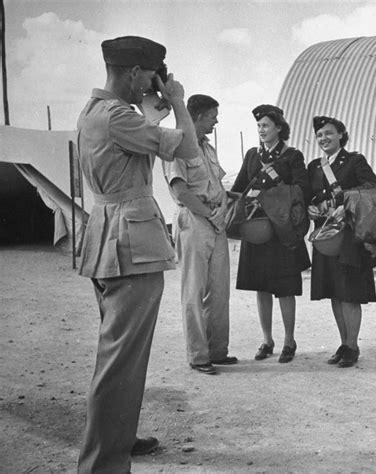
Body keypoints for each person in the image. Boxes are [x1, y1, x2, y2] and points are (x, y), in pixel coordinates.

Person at [76, 36, 198, 473]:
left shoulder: (97, 112)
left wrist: (154, 112)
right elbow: (187, 148)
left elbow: (138, 137)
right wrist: (179, 102)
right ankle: (103, 464)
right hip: (131, 246)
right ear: (132, 73)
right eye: (149, 76)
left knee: (120, 355)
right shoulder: (116, 117)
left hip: (109, 238)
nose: (153, 84)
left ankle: (119, 438)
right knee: (120, 361)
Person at [162, 94, 237, 375]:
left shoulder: (208, 147)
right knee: (194, 291)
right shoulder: (177, 147)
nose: (216, 121)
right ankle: (198, 355)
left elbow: (219, 185)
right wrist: (210, 214)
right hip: (194, 220)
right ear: (198, 116)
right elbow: (181, 191)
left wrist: (224, 208)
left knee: (219, 291)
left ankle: (217, 350)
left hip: (216, 221)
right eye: (212, 116)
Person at [231, 105, 311, 363]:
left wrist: (272, 189)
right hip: (257, 229)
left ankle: (289, 341)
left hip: (281, 231)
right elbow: (239, 188)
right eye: (259, 126)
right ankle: (267, 340)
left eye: (266, 125)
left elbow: (301, 190)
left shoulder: (292, 156)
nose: (261, 130)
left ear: (279, 128)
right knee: (261, 287)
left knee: (285, 287)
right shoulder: (253, 155)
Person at [308, 116, 376, 368]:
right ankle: (343, 343)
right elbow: (310, 196)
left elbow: (373, 188)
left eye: (329, 133)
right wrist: (312, 208)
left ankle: (352, 346)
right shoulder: (314, 167)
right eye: (319, 135)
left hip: (350, 235)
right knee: (334, 291)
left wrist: (345, 204)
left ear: (341, 135)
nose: (323, 138)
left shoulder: (354, 161)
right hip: (326, 236)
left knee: (349, 292)